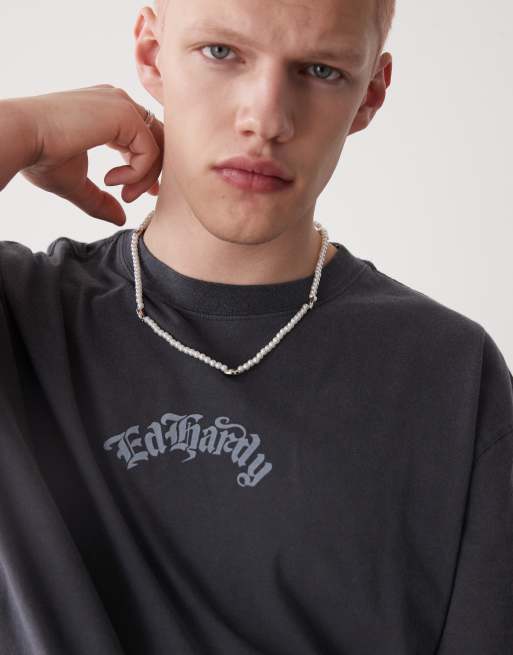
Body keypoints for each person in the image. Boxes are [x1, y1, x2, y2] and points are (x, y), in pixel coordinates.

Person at [0, 0, 511, 653]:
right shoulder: (18, 314)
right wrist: (21, 127)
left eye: (320, 70)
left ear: (370, 94)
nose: (266, 120)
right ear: (153, 53)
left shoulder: (448, 375)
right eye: (221, 52)